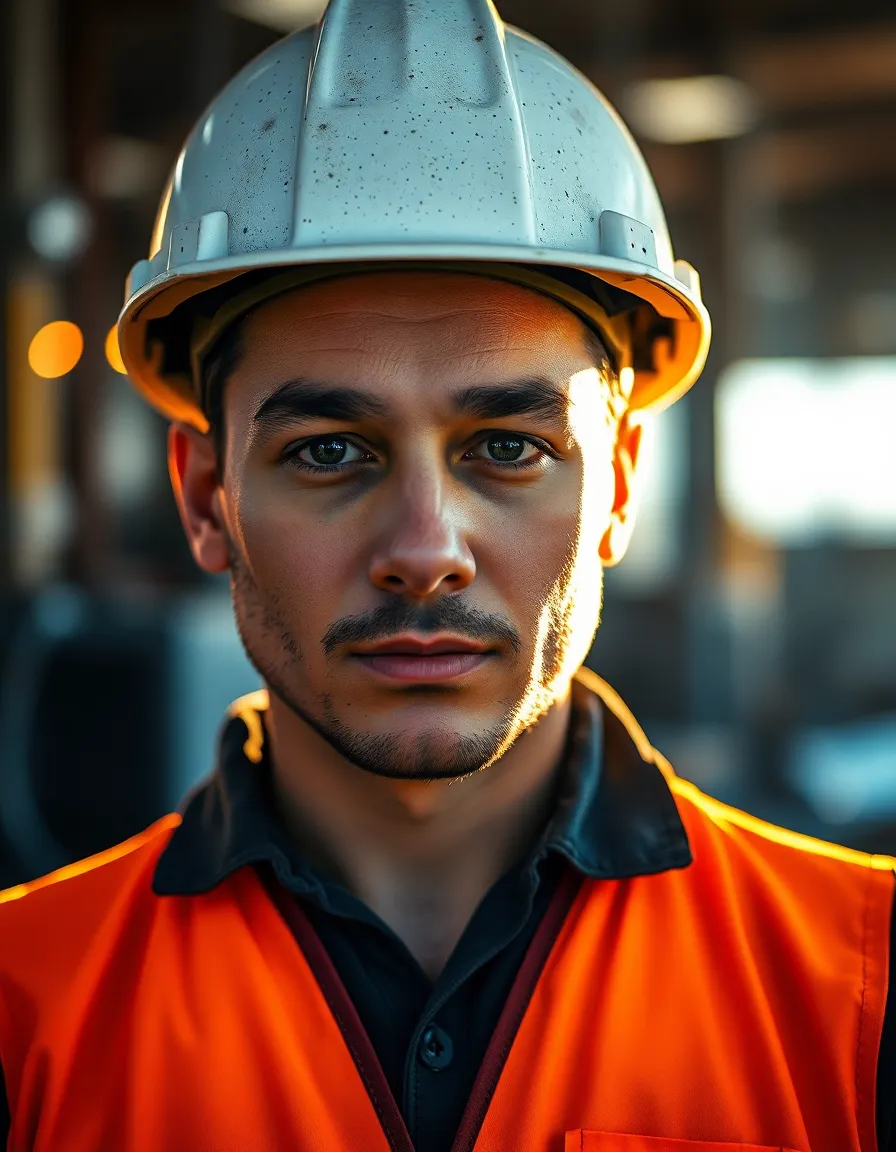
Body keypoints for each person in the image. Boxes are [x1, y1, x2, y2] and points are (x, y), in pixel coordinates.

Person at [0, 1, 893, 1149]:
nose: (424, 551)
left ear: (617, 484)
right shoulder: (26, 1011)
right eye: (329, 451)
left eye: (507, 449)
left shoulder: (856, 992)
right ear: (203, 495)